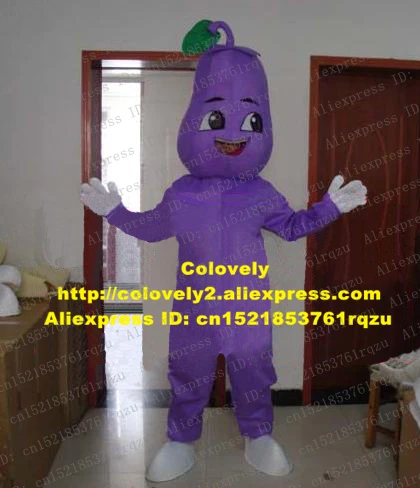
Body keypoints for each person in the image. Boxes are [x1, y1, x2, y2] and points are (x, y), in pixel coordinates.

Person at [80, 19, 367, 482]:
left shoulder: (260, 192)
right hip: (194, 307)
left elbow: (292, 227)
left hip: (247, 307)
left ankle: (258, 435)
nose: (233, 133)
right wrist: (115, 212)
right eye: (216, 119)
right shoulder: (182, 193)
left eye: (251, 121)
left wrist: (329, 208)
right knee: (188, 371)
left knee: (253, 371)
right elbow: (151, 229)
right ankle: (180, 439)